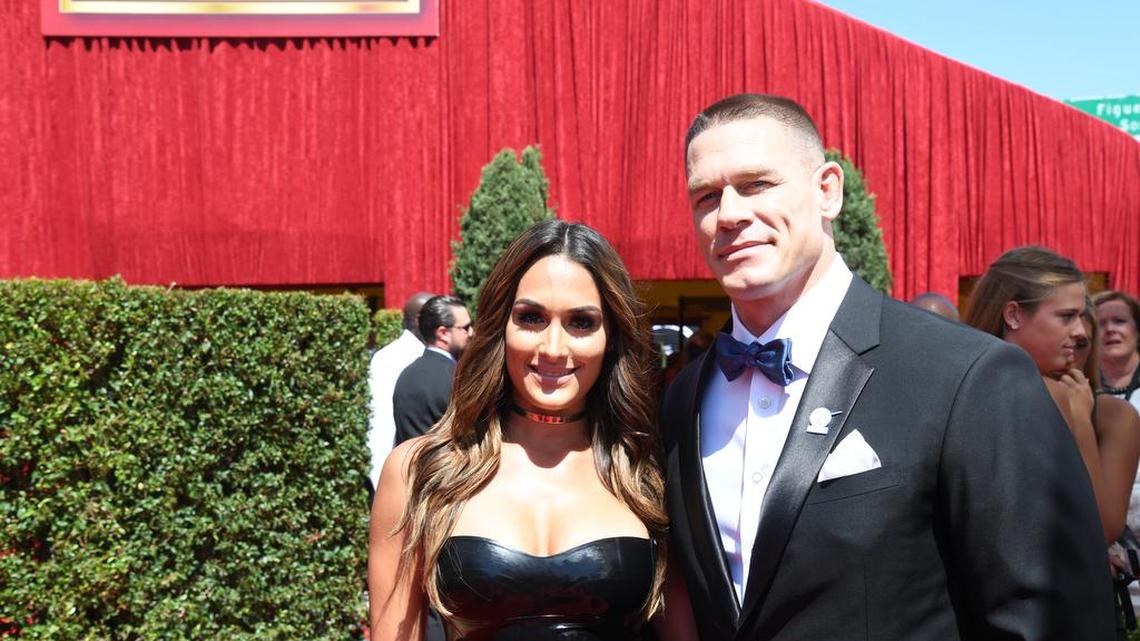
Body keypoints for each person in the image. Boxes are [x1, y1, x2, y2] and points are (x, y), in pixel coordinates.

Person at [663, 92, 1113, 640]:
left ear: (827, 191)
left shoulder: (968, 374)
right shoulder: (683, 397)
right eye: (707, 196)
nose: (729, 213)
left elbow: (1053, 618)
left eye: (757, 184)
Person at [369, 220, 697, 641]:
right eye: (531, 318)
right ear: (499, 327)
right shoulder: (420, 470)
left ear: (612, 336)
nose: (553, 348)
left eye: (581, 322)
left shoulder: (648, 472)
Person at [965, 246, 1139, 544]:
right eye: (1067, 316)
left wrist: (1081, 425)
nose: (1079, 332)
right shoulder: (962, 397)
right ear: (1013, 315)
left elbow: (1104, 529)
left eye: (1081, 319)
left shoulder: (1112, 415)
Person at [367, 292, 434, 489]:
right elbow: (381, 423)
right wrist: (383, 481)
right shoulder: (389, 358)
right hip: (403, 474)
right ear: (419, 319)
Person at [392, 295, 472, 446]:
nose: (471, 333)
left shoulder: (406, 375)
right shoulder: (457, 379)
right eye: (466, 328)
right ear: (443, 333)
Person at [1095, 291, 1140, 414]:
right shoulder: (1078, 385)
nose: (1110, 329)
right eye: (1100, 323)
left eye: (1119, 321)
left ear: (1138, 330)